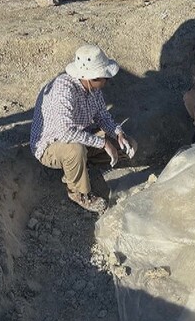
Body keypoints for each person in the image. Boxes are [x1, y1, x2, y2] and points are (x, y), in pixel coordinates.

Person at [29, 44, 136, 214]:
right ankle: (78, 192)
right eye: (104, 78)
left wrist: (117, 133)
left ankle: (80, 166)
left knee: (128, 145)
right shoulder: (63, 90)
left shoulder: (93, 88)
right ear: (90, 78)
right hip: (52, 144)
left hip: (83, 134)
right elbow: (66, 133)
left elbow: (102, 115)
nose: (107, 81)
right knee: (75, 150)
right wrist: (102, 143)